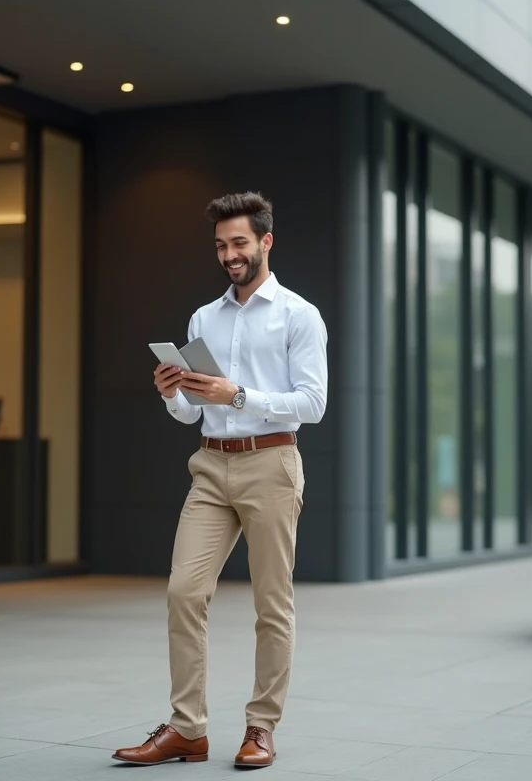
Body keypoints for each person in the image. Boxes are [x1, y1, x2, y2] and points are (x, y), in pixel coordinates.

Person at [112, 192, 328, 769]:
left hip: (271, 464)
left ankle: (261, 727)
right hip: (211, 465)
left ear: (265, 241)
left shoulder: (298, 315)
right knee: (185, 592)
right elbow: (194, 412)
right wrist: (173, 394)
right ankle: (188, 729)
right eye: (220, 246)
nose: (229, 254)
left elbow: (313, 403)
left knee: (271, 604)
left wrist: (238, 393)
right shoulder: (203, 318)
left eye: (239, 243)